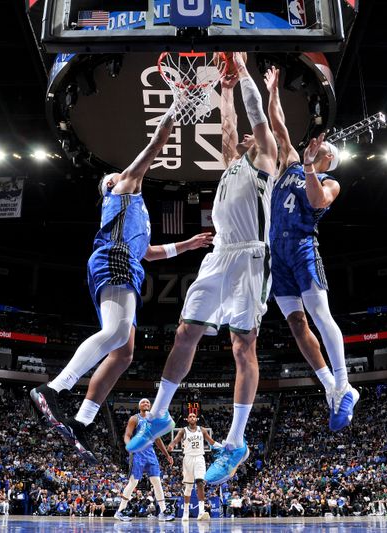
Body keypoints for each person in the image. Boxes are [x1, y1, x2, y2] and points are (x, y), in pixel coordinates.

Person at [127, 51, 278, 487]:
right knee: (185, 332)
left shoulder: (266, 159)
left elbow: (255, 120)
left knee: (241, 347)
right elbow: (230, 130)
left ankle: (234, 442)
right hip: (219, 257)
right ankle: (158, 415)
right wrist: (225, 92)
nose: (245, 139)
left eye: (252, 136)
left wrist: (245, 74)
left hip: (251, 256)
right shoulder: (234, 165)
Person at [30, 103, 213, 462]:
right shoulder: (123, 189)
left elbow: (148, 253)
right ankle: (52, 389)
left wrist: (188, 245)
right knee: (116, 333)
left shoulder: (136, 211)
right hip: (113, 259)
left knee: (124, 352)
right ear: (111, 184)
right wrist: (177, 105)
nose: (128, 173)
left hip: (124, 261)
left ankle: (82, 421)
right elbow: (156, 145)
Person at [263, 65, 358, 430]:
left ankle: (345, 383)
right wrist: (272, 91)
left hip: (303, 247)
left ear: (328, 158)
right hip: (277, 254)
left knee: (320, 315)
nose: (313, 148)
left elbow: (317, 203)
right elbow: (279, 125)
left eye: (320, 150)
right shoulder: (288, 164)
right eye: (313, 147)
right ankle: (330, 387)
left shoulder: (329, 182)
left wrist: (309, 167)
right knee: (296, 323)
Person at [114, 399, 174, 522]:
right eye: (143, 402)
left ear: (150, 406)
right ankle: (119, 511)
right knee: (133, 482)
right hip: (138, 453)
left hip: (150, 454)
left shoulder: (153, 421)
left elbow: (158, 439)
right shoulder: (134, 419)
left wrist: (167, 455)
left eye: (148, 402)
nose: (146, 404)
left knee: (157, 481)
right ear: (139, 406)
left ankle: (163, 512)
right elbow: (127, 435)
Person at [167, 411, 221, 520]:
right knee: (188, 487)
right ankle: (185, 512)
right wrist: (171, 445)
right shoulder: (183, 430)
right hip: (188, 458)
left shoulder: (202, 430)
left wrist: (222, 446)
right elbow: (176, 440)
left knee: (200, 482)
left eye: (194, 416)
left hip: (199, 458)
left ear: (196, 419)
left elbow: (211, 442)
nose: (192, 417)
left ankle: (201, 511)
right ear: (187, 419)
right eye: (190, 416)